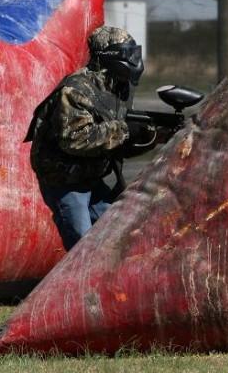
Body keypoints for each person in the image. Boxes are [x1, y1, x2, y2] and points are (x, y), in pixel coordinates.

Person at [25, 25, 157, 250]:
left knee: (114, 235)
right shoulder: (75, 90)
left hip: (91, 176)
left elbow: (114, 142)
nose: (134, 60)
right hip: (64, 180)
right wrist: (125, 130)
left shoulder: (116, 88)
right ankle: (76, 286)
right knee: (83, 247)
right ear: (110, 57)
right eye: (127, 54)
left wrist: (148, 136)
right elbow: (76, 139)